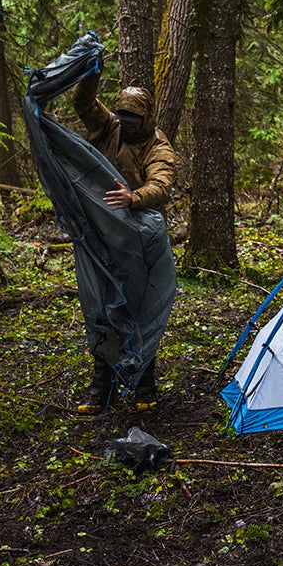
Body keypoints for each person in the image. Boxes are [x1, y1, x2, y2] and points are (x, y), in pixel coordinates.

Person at [72, 72, 177, 414]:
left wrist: (133, 198)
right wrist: (89, 73)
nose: (127, 123)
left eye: (134, 118)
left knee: (139, 308)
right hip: (104, 234)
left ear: (147, 117)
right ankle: (102, 389)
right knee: (103, 307)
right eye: (123, 116)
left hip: (140, 239)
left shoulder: (158, 146)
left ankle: (144, 384)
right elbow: (84, 105)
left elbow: (160, 184)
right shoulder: (110, 128)